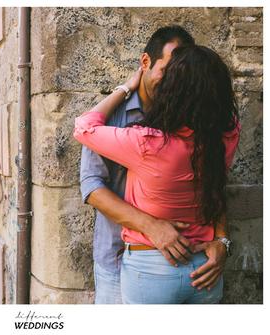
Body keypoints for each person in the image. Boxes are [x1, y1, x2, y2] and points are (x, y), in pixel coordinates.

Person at [74, 44, 240, 303]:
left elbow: (83, 127)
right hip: (202, 267)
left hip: (149, 268)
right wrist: (220, 239)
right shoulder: (226, 137)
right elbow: (92, 186)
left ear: (177, 87)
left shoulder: (147, 142)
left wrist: (124, 87)